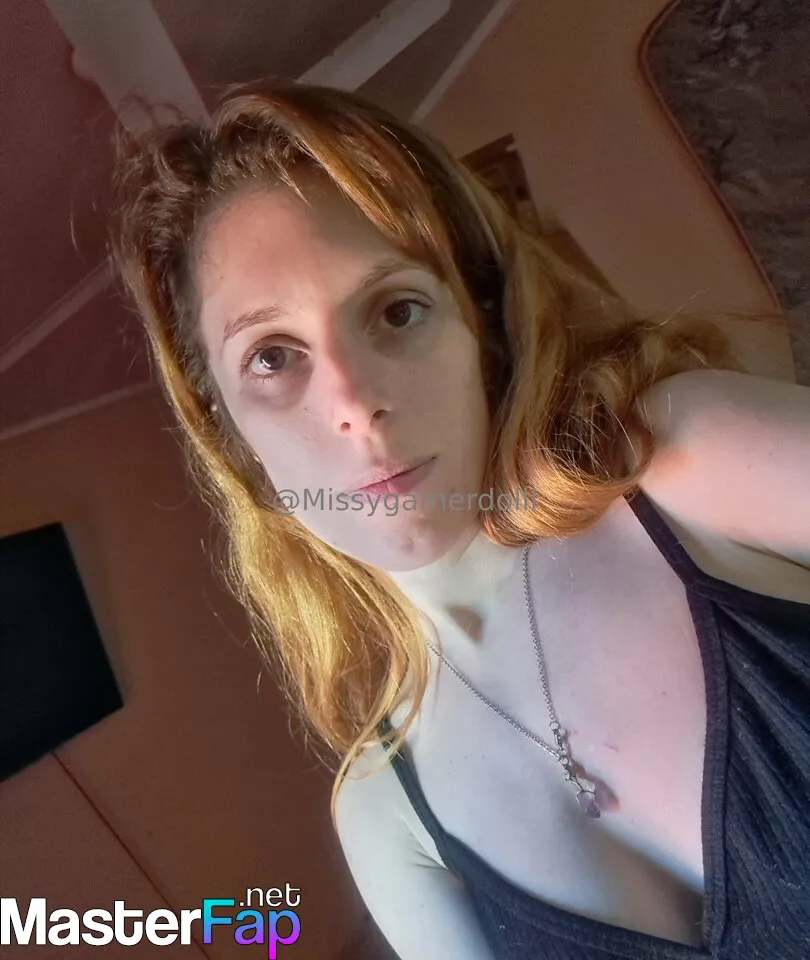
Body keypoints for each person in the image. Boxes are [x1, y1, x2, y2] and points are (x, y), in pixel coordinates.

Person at [108, 79, 810, 960]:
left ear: (483, 331)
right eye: (273, 357)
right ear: (228, 432)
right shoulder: (385, 819)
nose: (355, 403)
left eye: (398, 310)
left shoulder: (681, 458)